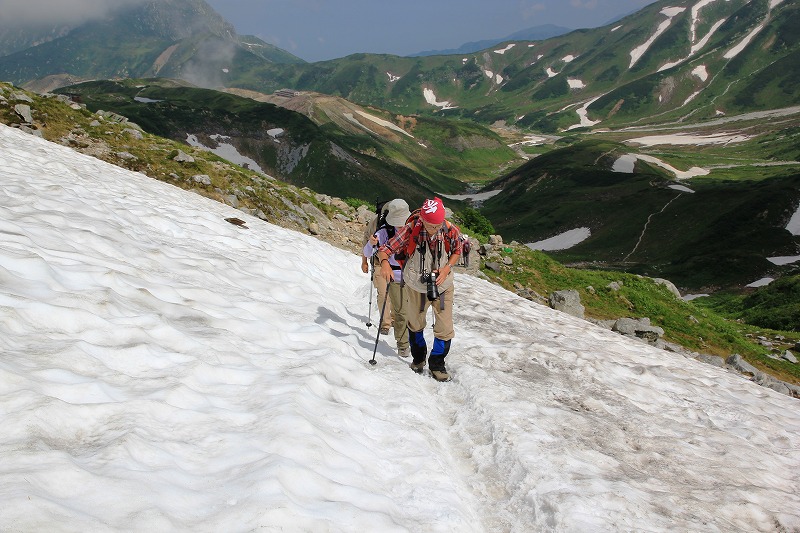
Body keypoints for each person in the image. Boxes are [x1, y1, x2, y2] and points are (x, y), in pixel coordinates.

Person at [376, 197, 463, 382]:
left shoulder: (449, 228)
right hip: (415, 284)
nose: (434, 229)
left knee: (445, 328)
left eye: (437, 224)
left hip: (443, 285)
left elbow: (457, 249)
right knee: (415, 324)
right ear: (422, 219)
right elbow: (386, 248)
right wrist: (385, 263)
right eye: (430, 225)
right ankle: (418, 358)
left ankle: (437, 363)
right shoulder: (412, 228)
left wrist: (446, 268)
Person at [363, 199, 411, 357]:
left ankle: (404, 337)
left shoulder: (414, 230)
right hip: (387, 272)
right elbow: (368, 252)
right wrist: (371, 245)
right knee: (390, 301)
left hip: (408, 275)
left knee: (404, 310)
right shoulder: (383, 232)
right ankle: (400, 341)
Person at [361, 201, 394, 334]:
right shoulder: (376, 222)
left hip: (396, 263)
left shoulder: (402, 221)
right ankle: (385, 324)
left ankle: (396, 320)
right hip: (379, 262)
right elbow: (366, 240)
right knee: (383, 292)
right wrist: (364, 261)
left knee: (394, 294)